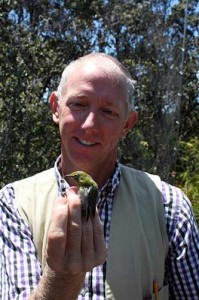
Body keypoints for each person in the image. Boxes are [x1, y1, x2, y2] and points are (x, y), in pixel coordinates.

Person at [0, 52, 198, 300]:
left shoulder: (170, 207)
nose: (90, 124)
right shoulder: (14, 203)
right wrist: (60, 279)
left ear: (127, 124)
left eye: (108, 111)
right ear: (55, 108)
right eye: (79, 104)